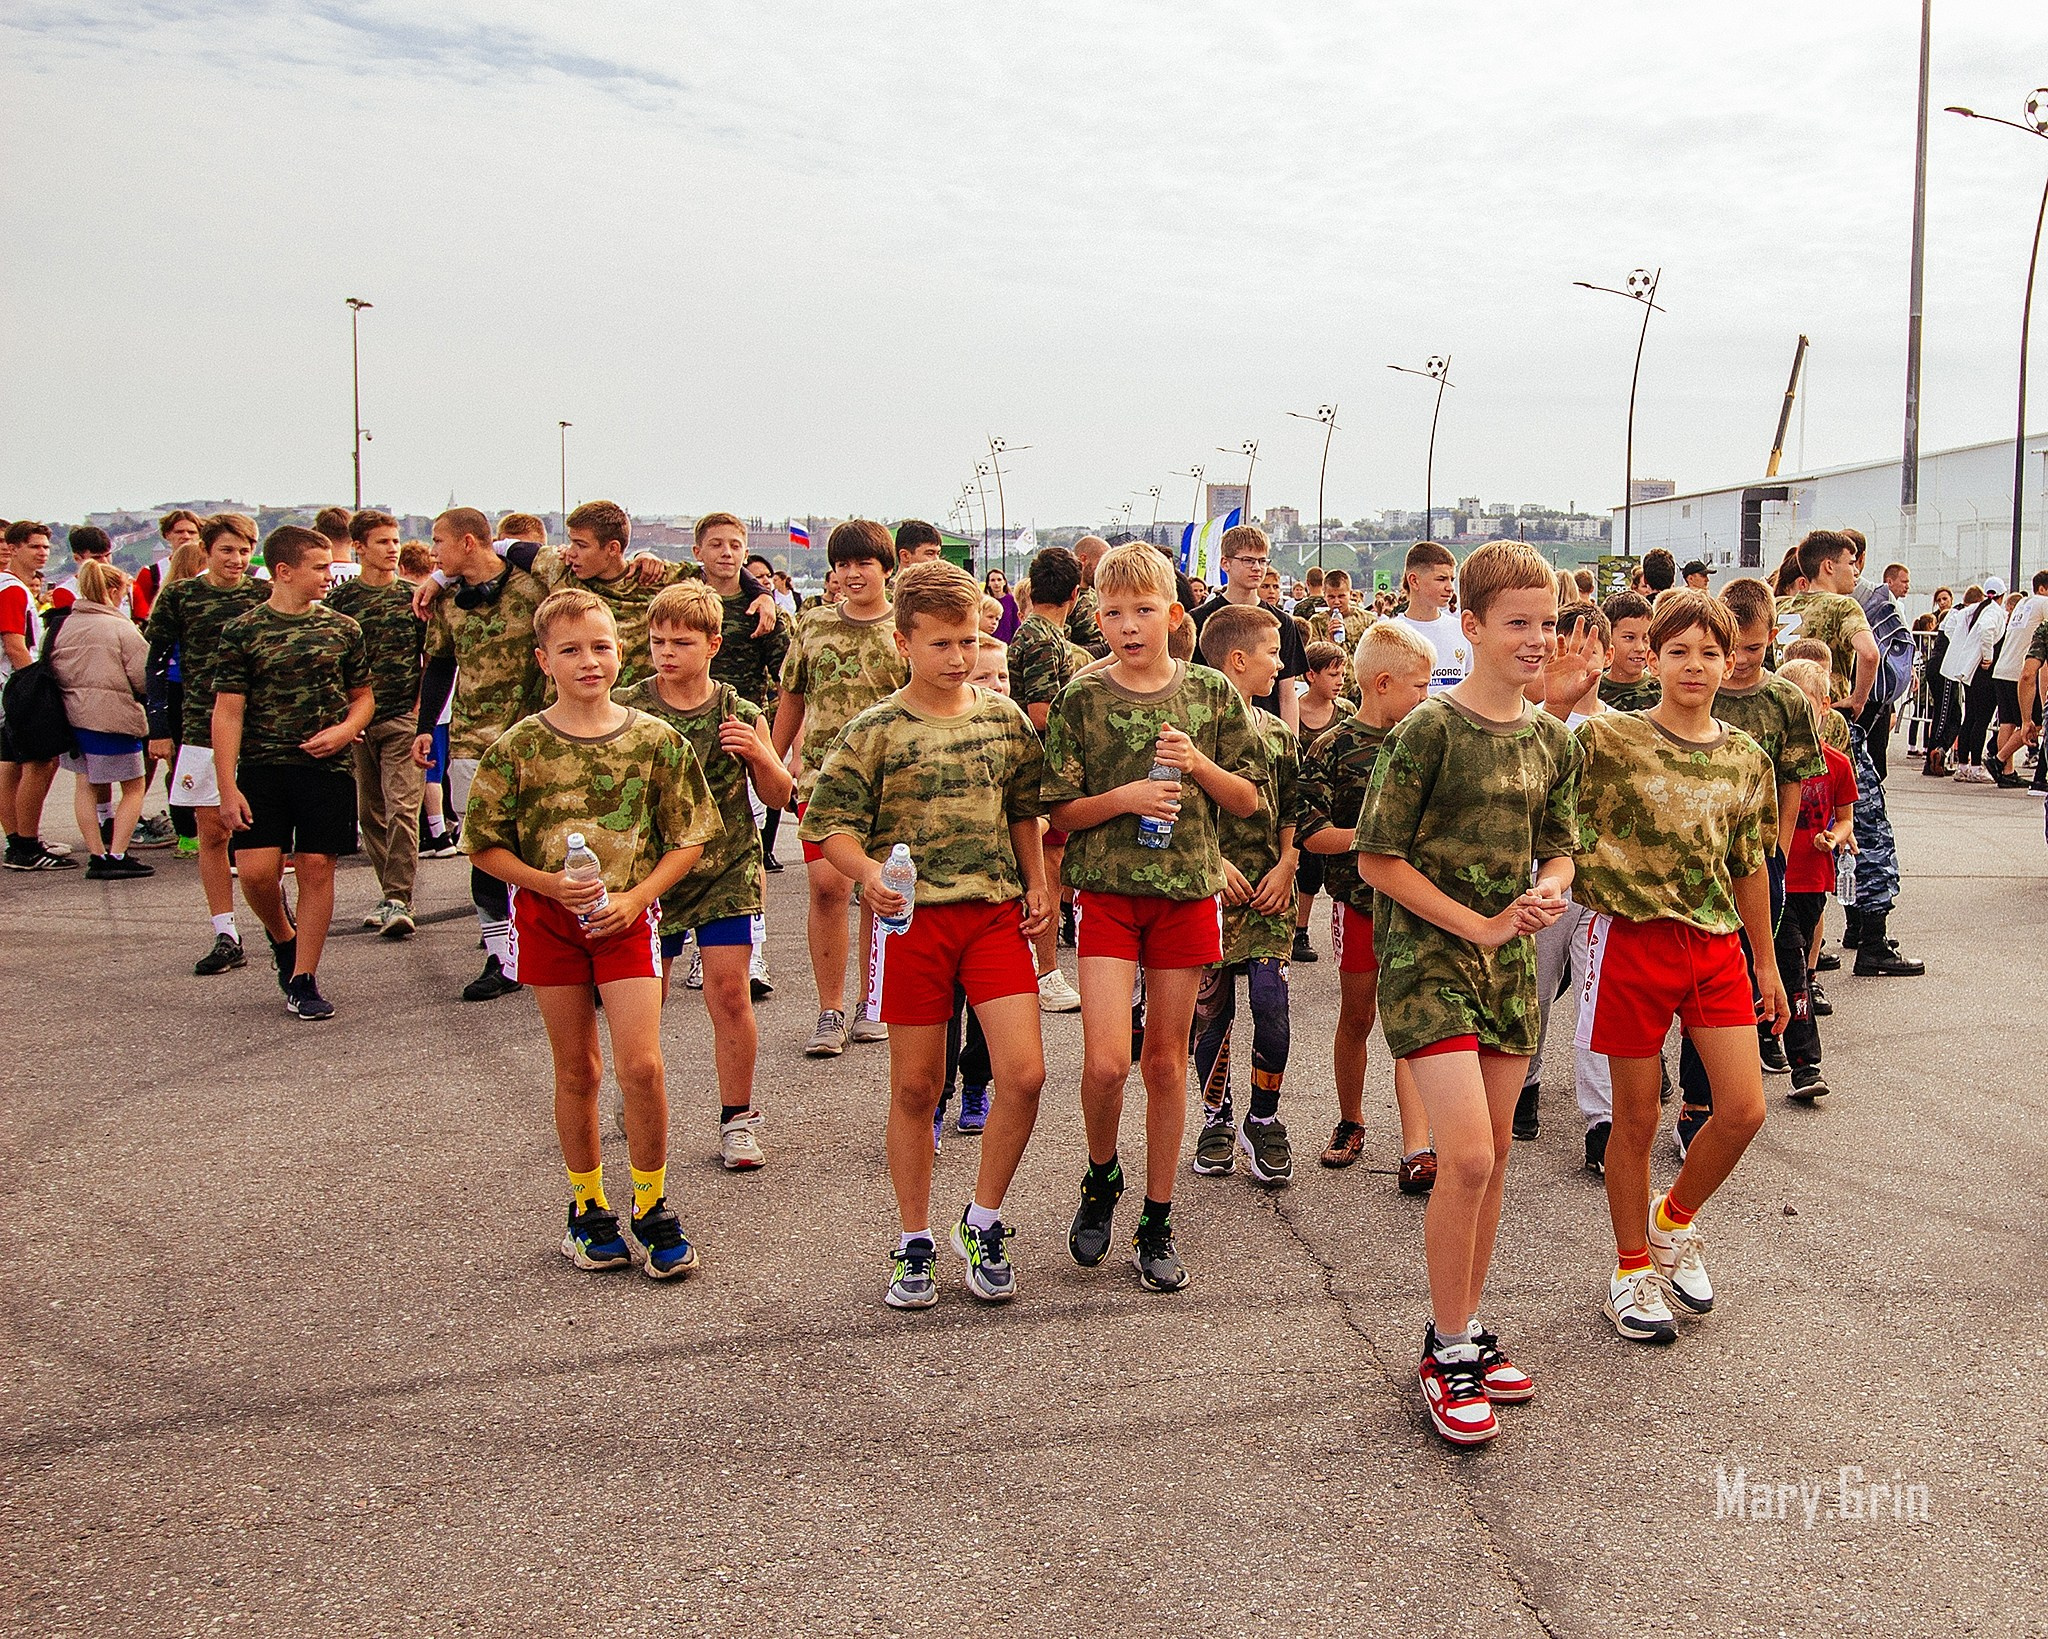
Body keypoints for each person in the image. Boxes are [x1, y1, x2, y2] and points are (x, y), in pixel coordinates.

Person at [1357, 541, 1575, 1445]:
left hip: (1509, 966)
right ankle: (1446, 1346)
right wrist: (1477, 923)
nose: (1536, 640)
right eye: (1517, 623)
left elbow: (1563, 842)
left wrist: (1553, 885)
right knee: (1471, 1158)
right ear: (1472, 625)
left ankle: (1469, 1325)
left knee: (1494, 1166)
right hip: (1427, 961)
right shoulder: (1429, 730)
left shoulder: (1554, 739)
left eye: (1548, 624)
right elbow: (1377, 858)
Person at [800, 561, 1051, 1308]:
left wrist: (1039, 882)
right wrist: (866, 872)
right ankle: (913, 1237)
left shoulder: (1004, 719)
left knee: (1026, 1074)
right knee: (917, 1086)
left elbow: (1023, 811)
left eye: (969, 639)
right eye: (941, 642)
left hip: (995, 913)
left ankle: (982, 1218)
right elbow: (829, 824)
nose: (959, 656)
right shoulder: (873, 730)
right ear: (904, 641)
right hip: (911, 922)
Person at [463, 588, 719, 1279]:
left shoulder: (654, 740)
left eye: (601, 647)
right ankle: (587, 1206)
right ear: (543, 659)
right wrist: (545, 884)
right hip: (548, 921)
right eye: (571, 650)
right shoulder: (518, 746)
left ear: (621, 651)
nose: (589, 661)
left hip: (627, 919)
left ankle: (653, 1203)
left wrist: (637, 895)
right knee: (578, 1068)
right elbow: (484, 844)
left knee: (643, 1064)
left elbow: (691, 836)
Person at [1043, 542, 1260, 1294]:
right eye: (1111, 612)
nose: (1127, 626)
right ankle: (1102, 1173)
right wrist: (1126, 798)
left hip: (1187, 895)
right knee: (1106, 1060)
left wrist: (1198, 764)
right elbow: (1058, 808)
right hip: (1107, 893)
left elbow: (1248, 799)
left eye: (1142, 610)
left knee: (1164, 1062)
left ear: (1174, 614)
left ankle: (1157, 1216)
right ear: (1093, 615)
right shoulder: (1083, 695)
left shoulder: (1209, 693)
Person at [1571, 589, 1785, 1348]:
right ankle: (1630, 1269)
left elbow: (1751, 863)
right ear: (1652, 657)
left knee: (1743, 1109)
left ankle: (1672, 1222)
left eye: (1709, 651)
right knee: (1635, 1118)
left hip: (1715, 945)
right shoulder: (1610, 738)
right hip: (1629, 939)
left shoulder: (1746, 758)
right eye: (1678, 650)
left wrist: (1768, 962)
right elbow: (1540, 767)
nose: (1694, 665)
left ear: (1731, 662)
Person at [625, 583, 792, 1169]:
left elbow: (778, 795)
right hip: (653, 873)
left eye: (682, 641)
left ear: (713, 644)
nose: (667, 652)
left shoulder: (738, 711)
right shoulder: (630, 708)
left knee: (728, 992)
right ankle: (637, 1093)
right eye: (657, 641)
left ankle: (738, 1119)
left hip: (727, 869)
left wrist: (759, 754)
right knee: (649, 997)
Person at [210, 525, 376, 1021]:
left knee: (316, 867)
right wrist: (227, 785)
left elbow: (363, 698)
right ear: (284, 571)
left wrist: (346, 731)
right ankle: (283, 937)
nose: (330, 576)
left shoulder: (344, 629)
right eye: (320, 567)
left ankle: (303, 977)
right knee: (259, 874)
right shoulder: (243, 631)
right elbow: (227, 712)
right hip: (263, 765)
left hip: (328, 767)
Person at [1296, 620, 1436, 1176]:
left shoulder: (1426, 737)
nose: (1427, 697)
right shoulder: (1333, 746)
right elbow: (1309, 828)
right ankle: (1351, 1120)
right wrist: (1371, 840)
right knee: (1358, 1016)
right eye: (1419, 686)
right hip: (1358, 904)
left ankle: (1417, 1146)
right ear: (1381, 683)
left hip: (1417, 906)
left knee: (1416, 1020)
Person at [772, 520, 909, 1058]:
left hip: (888, 784)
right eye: (843, 565)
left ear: (886, 568)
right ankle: (830, 1008)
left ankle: (871, 1003)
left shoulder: (904, 626)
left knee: (876, 893)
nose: (852, 575)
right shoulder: (812, 625)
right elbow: (792, 696)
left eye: (864, 564)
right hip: (823, 782)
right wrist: (775, 760)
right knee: (827, 889)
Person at [413, 507, 552, 1002]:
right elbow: (439, 666)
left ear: (469, 542)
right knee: (485, 851)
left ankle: (555, 944)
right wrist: (426, 728)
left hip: (538, 738)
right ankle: (502, 957)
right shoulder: (448, 600)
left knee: (546, 847)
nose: (433, 553)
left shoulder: (536, 588)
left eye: (438, 543)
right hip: (474, 742)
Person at [1189, 604, 1300, 1186]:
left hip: (1268, 896)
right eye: (1273, 654)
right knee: (1214, 1012)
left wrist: (1288, 863)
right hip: (1209, 892)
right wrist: (1214, 863)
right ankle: (1214, 1119)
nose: (1280, 665)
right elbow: (1178, 812)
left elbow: (1293, 808)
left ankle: (1264, 1118)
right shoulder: (1192, 735)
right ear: (1237, 661)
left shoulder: (1280, 734)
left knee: (1271, 1006)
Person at [145, 514, 268, 958]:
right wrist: (158, 728)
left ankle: (277, 916)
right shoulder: (181, 595)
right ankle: (225, 931)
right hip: (200, 725)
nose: (236, 559)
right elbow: (155, 664)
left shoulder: (264, 594)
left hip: (261, 727)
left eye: (244, 549)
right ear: (208, 551)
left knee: (264, 831)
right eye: (227, 550)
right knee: (212, 832)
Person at [1523, 604, 1619, 1173]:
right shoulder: (1532, 722)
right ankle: (1526, 1083)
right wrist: (1551, 703)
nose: (1576, 658)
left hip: (1599, 888)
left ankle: (1601, 1119)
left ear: (1606, 657)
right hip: (1542, 880)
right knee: (1532, 986)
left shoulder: (1619, 727)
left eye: (1590, 648)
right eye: (1563, 645)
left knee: (1597, 997)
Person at [693, 511, 791, 995]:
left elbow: (788, 680)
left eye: (735, 544)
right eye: (716, 545)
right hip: (688, 736)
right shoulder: (686, 604)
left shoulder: (762, 611)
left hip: (742, 728)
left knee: (744, 845)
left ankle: (753, 951)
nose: (726, 553)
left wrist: (777, 745)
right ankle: (696, 949)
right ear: (698, 553)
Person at [325, 509, 427, 938]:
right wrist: (345, 720)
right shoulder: (342, 602)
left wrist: (421, 712)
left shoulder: (415, 597)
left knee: (403, 807)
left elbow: (432, 660)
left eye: (395, 541)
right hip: (358, 721)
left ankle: (400, 898)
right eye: (382, 542)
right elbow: (331, 664)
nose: (392, 549)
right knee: (372, 812)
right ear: (359, 547)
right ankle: (389, 892)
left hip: (403, 717)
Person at [1005, 544, 1087, 1010]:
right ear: (1075, 594)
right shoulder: (1041, 639)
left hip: (1038, 769)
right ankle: (1046, 970)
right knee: (1046, 870)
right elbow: (1040, 712)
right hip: (1039, 770)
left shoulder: (1035, 633)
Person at [1775, 658, 1856, 1103]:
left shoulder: (1837, 764)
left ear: (1826, 708)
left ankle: (1769, 1032)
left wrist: (1834, 837)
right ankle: (1806, 1064)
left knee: (1794, 962)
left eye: (1810, 706)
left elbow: (1846, 820)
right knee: (1792, 972)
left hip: (1814, 881)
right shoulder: (1768, 760)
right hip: (1775, 881)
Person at [47, 561, 153, 878]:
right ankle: (117, 853)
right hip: (112, 716)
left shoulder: (64, 624)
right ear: (113, 591)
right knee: (134, 787)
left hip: (73, 716)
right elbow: (143, 677)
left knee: (85, 785)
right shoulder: (121, 628)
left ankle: (96, 853)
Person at [1, 519, 75, 870]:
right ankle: (27, 844)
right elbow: (15, 644)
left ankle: (18, 840)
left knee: (10, 764)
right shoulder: (12, 590)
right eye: (34, 546)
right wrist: (35, 685)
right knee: (40, 761)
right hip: (14, 686)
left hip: (7, 687)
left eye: (46, 546)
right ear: (13, 548)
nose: (42, 553)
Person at [1189, 524, 1307, 730]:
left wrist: (1292, 748)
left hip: (1266, 732)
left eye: (1262, 561)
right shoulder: (1198, 620)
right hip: (1212, 730)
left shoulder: (1283, 622)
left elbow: (1287, 694)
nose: (1257, 568)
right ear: (1225, 563)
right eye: (1248, 560)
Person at [1289, 639, 1348, 963]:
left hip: (1339, 805)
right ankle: (1299, 930)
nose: (1340, 681)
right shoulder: (1293, 710)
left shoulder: (1346, 712)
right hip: (1306, 804)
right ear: (1311, 675)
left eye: (1342, 674)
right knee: (1306, 869)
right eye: (1332, 674)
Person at [1990, 571, 2048, 785]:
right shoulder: (2044, 603)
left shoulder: (2023, 603)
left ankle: (2006, 773)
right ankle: (1999, 759)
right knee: (2035, 723)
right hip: (2020, 670)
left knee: (2007, 722)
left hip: (2003, 668)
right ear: (2043, 588)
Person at [1390, 540, 1470, 695]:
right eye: (1441, 579)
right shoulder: (1392, 634)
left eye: (1451, 579)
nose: (1450, 588)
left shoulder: (1462, 630)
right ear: (1414, 581)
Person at [1597, 592, 1661, 710]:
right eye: (1629, 637)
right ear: (1608, 638)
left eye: (1645, 638)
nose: (1640, 648)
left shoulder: (1661, 692)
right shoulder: (1594, 691)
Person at [984, 568, 1020, 642]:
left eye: (999, 579)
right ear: (988, 583)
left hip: (1008, 643)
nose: (996, 583)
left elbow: (1016, 623)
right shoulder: (984, 601)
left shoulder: (1012, 600)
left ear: (1004, 582)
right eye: (993, 580)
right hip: (989, 642)